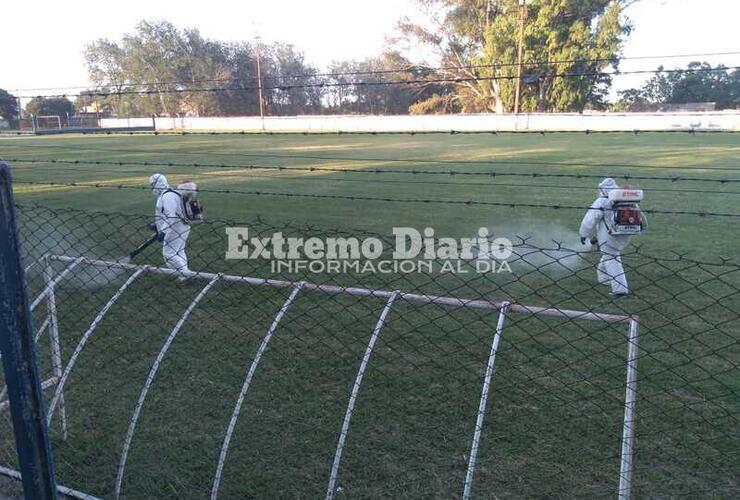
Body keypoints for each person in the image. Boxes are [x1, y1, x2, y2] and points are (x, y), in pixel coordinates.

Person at [579, 177, 631, 296]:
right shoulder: (625, 199)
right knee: (610, 254)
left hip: (609, 235)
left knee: (611, 258)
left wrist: (584, 234)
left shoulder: (602, 201)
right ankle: (604, 278)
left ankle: (620, 290)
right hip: (625, 234)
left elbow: (590, 220)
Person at [149, 173, 192, 277]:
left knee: (169, 254)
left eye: (152, 185)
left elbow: (171, 216)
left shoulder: (167, 195)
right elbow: (165, 214)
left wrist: (163, 232)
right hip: (178, 226)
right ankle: (184, 274)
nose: (152, 188)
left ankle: (186, 274)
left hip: (175, 228)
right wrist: (157, 225)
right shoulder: (166, 194)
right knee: (178, 251)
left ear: (158, 184)